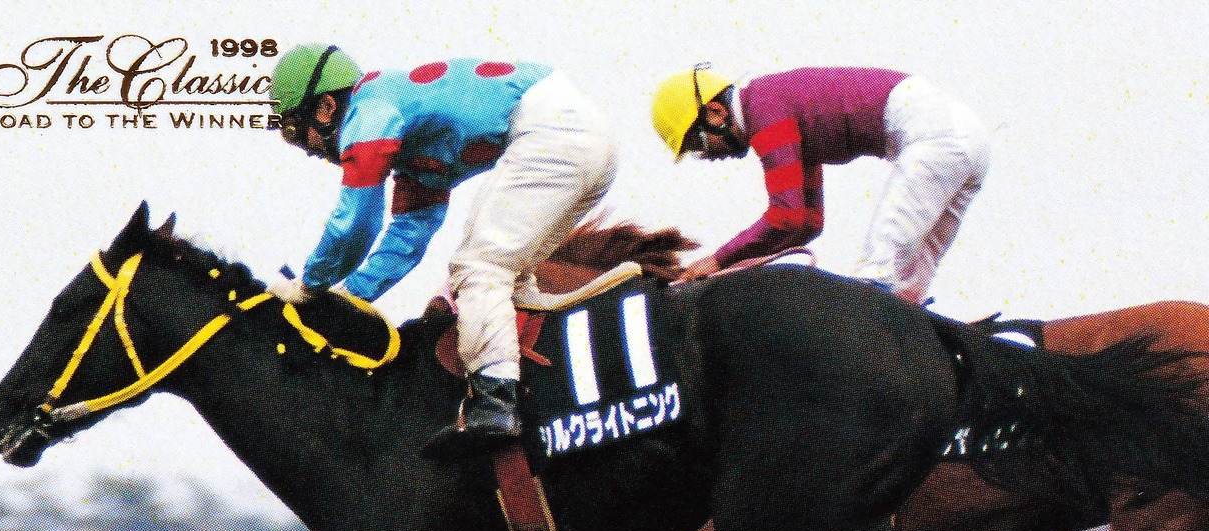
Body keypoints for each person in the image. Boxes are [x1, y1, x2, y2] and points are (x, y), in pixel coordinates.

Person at [268, 45, 617, 458]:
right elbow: (407, 237)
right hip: (586, 141)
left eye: (295, 130)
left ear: (327, 107)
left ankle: (496, 404)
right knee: (506, 276)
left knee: (478, 268)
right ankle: (532, 382)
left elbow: (358, 221)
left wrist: (310, 286)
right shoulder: (411, 139)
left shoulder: (369, 111)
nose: (306, 149)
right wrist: (348, 299)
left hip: (555, 134)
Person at [650, 65, 990, 303]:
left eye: (699, 143)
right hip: (970, 141)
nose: (707, 156)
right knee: (908, 294)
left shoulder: (764, 110)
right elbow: (808, 223)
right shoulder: (775, 103)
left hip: (937, 139)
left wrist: (716, 261)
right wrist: (732, 266)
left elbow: (786, 217)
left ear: (715, 113)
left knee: (872, 284)